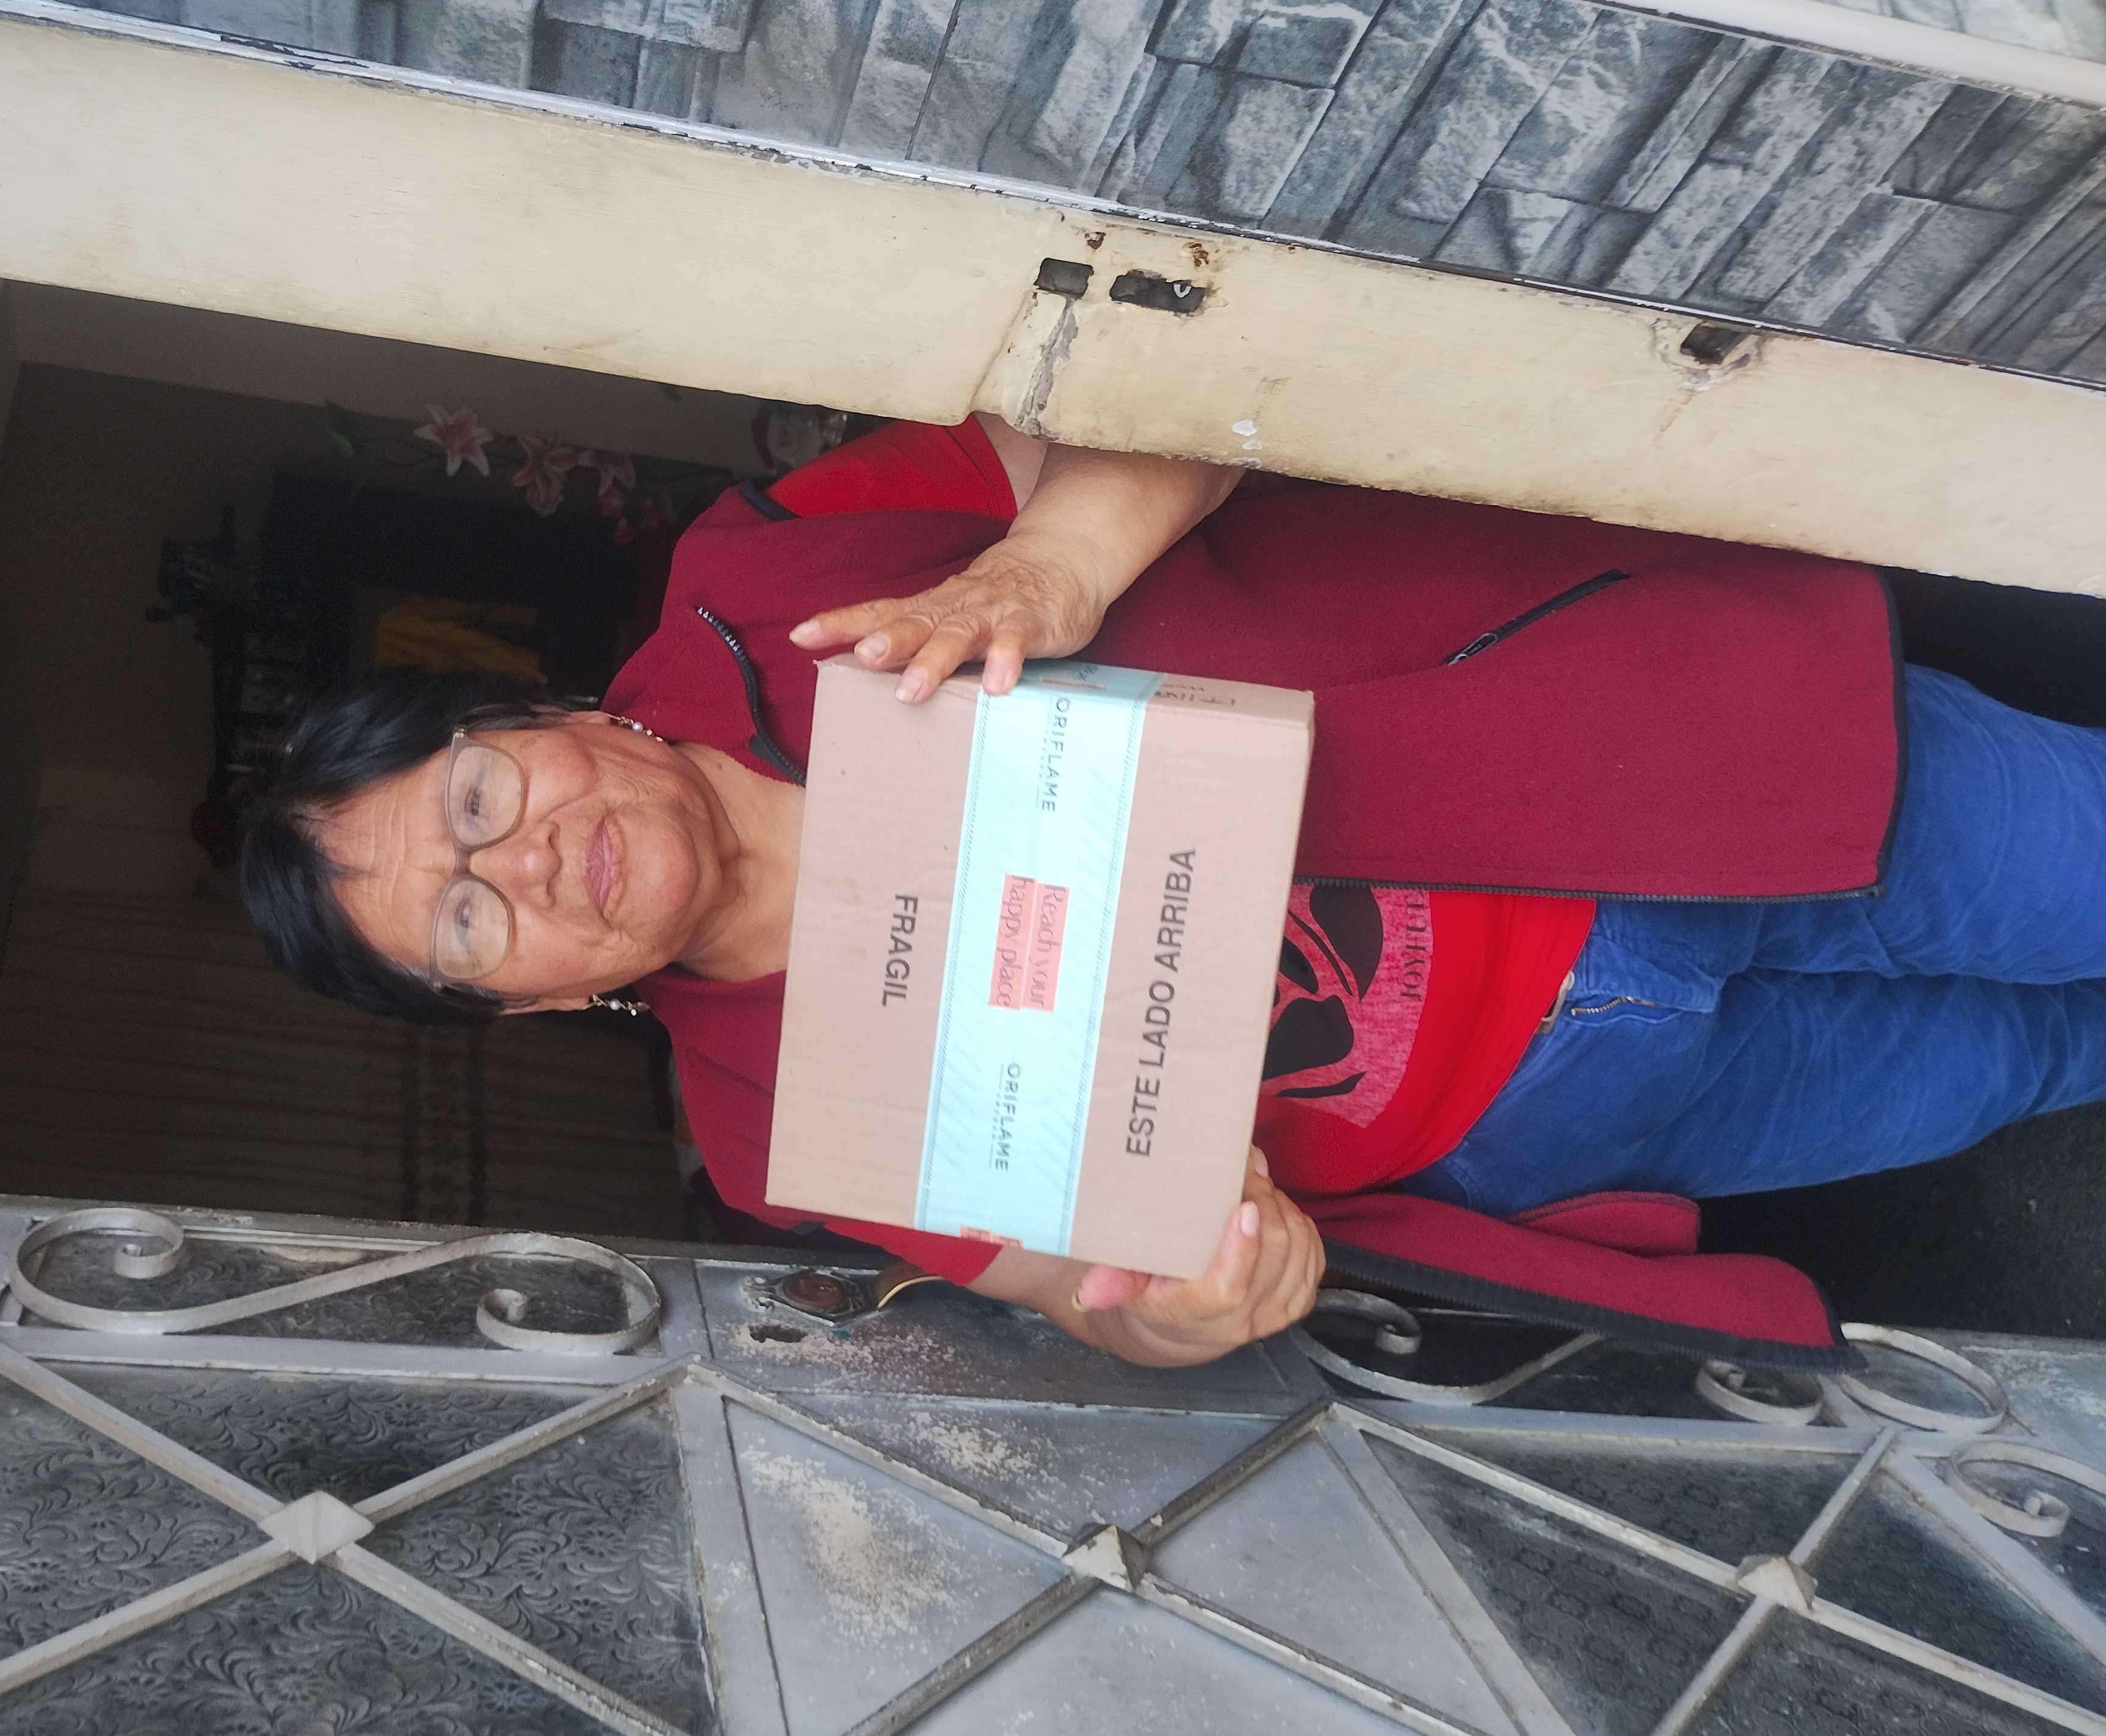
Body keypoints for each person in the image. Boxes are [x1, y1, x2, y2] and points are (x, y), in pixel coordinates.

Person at [242, 415, 2106, 1370]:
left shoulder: (770, 574)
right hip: (1575, 1112)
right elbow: (1080, 1286)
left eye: (477, 798)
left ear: (542, 714)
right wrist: (1184, 1313)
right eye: (469, 923)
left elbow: (1178, 391)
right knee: (2032, 1072)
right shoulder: (767, 1122)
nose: (521, 864)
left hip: (1668, 768)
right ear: (532, 1001)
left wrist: (1051, 562)